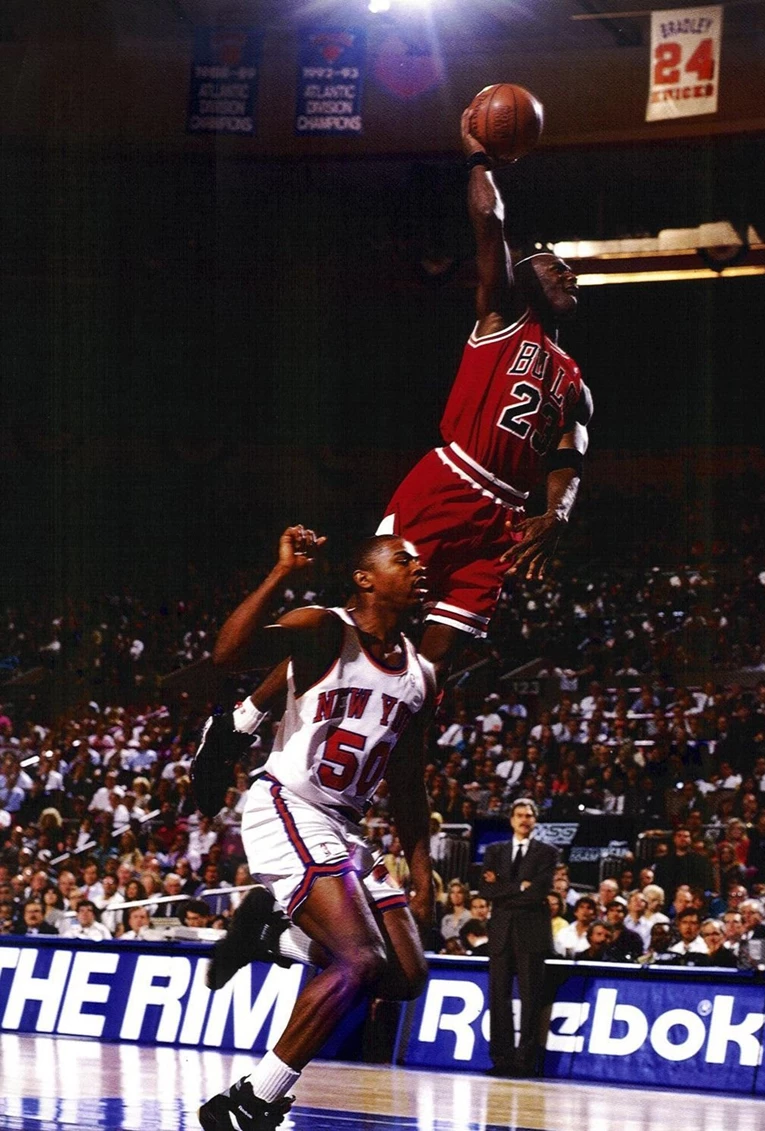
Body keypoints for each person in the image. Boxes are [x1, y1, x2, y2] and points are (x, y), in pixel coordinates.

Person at [197, 527, 436, 1131]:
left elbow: (409, 784)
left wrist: (424, 874)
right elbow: (227, 653)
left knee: (405, 976)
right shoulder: (326, 629)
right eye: (403, 560)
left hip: (344, 826)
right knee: (360, 958)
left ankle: (272, 937)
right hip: (289, 805)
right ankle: (254, 1100)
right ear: (365, 578)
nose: (419, 568)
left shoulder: (422, 675)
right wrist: (281, 574)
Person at [374, 104, 593, 669]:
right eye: (555, 267)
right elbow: (490, 223)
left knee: (438, 663)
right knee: (371, 621)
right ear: (525, 281)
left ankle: (399, 723)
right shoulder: (502, 316)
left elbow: (571, 451)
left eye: (570, 270)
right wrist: (478, 159)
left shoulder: (574, 380)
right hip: (453, 479)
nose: (569, 274)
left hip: (506, 516)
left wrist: (558, 512)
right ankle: (253, 711)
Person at [479, 797, 558, 1078]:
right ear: (512, 820)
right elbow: (485, 891)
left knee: (530, 998)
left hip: (531, 933)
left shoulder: (547, 853)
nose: (525, 820)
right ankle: (501, 1059)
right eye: (520, 815)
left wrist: (505, 888)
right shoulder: (494, 851)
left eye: (529, 815)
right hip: (501, 933)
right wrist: (520, 887)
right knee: (498, 997)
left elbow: (539, 892)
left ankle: (525, 1062)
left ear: (535, 821)